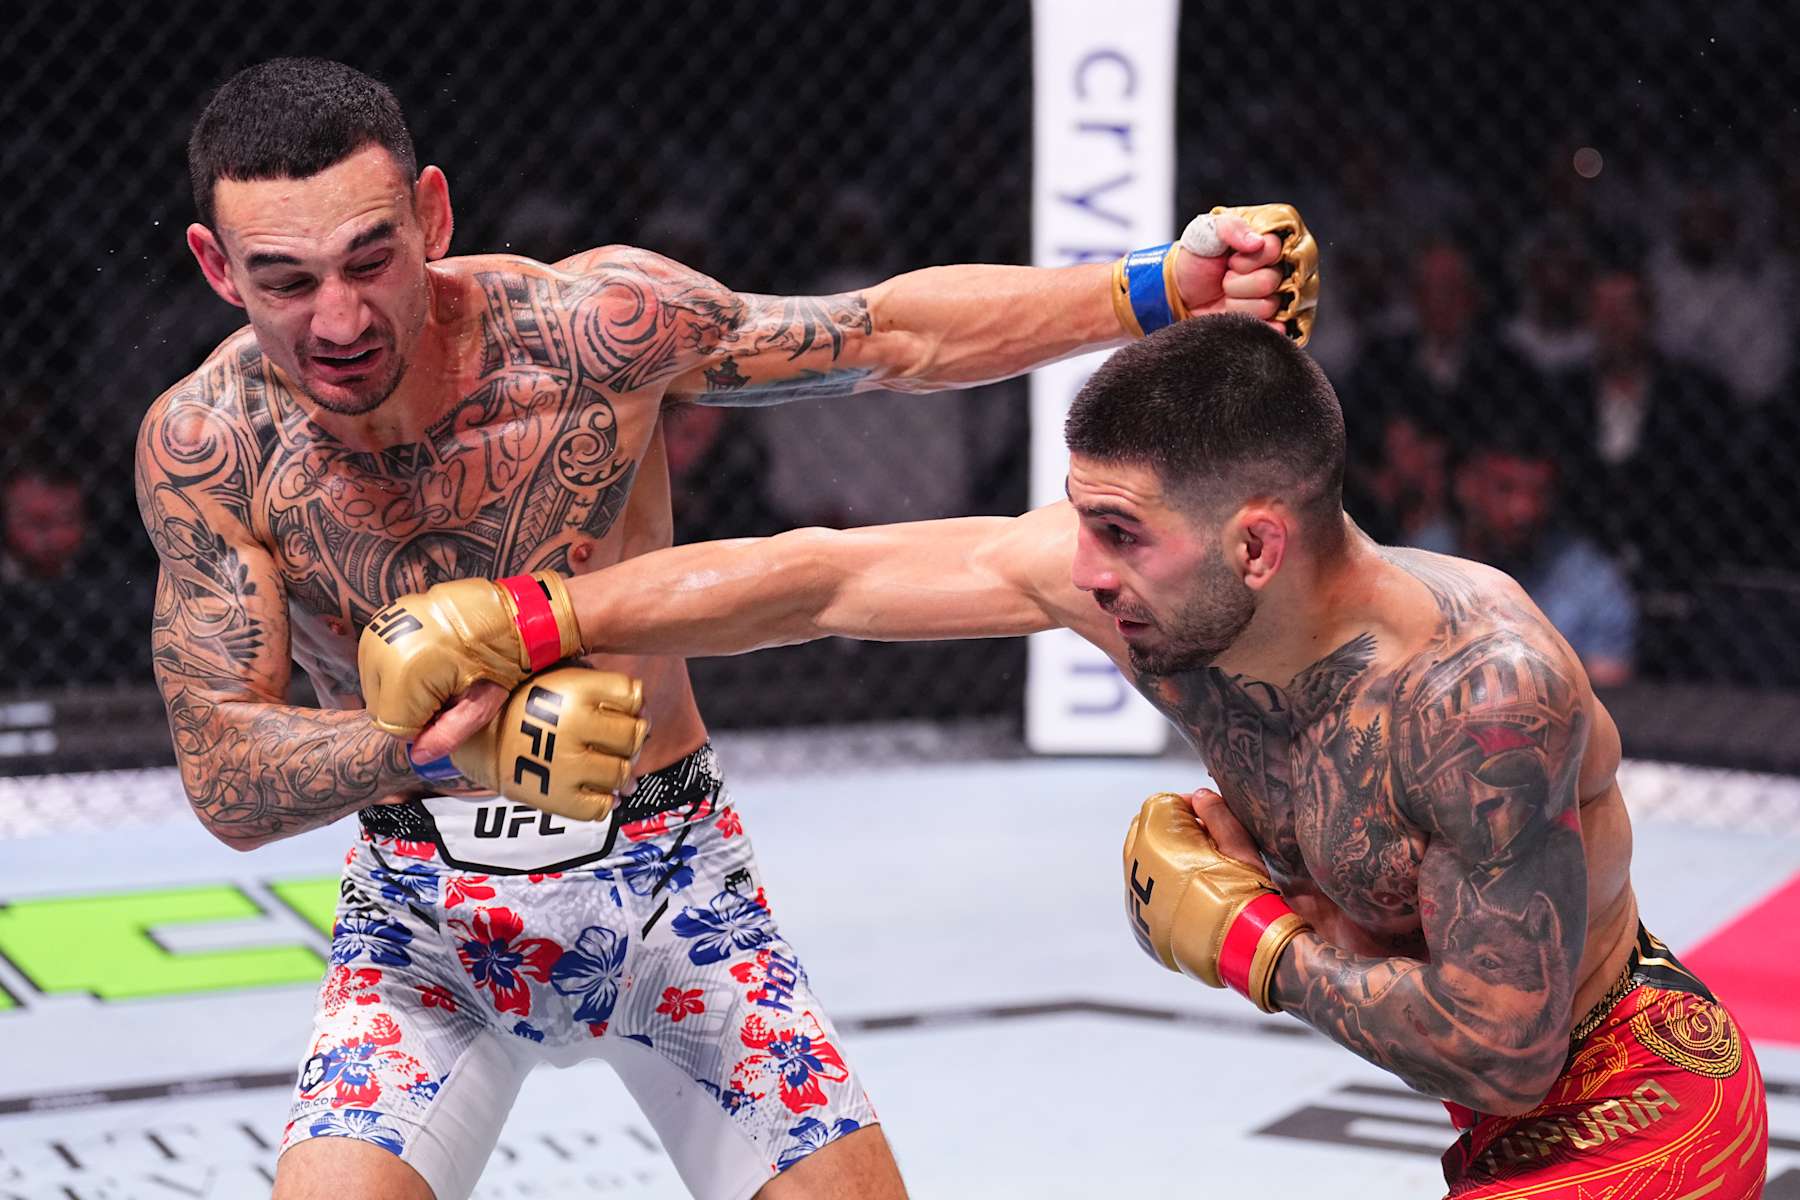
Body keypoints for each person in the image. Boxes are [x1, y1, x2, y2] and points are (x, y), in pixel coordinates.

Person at [137, 57, 1308, 1200]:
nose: (337, 317)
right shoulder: (212, 448)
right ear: (216, 268)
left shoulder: (592, 332)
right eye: (284, 279)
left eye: (368, 258)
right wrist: (439, 749)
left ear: (431, 214)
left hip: (668, 884)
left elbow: (884, 336)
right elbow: (224, 772)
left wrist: (1154, 292)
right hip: (419, 919)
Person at [380, 315, 1768, 1199]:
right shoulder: (1157, 591)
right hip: (1492, 1121)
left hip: (1630, 1103)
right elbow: (820, 581)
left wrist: (1253, 942)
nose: (1078, 569)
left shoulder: (1477, 695)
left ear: (1258, 545)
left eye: (1119, 532)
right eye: (1083, 519)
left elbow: (1509, 1053)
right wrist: (534, 615)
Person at [1412, 424, 1638, 687]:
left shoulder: (1590, 577)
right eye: (1505, 489)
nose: (1524, 511)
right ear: (1467, 485)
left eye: (1538, 493)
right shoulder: (1418, 560)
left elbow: (1611, 680)